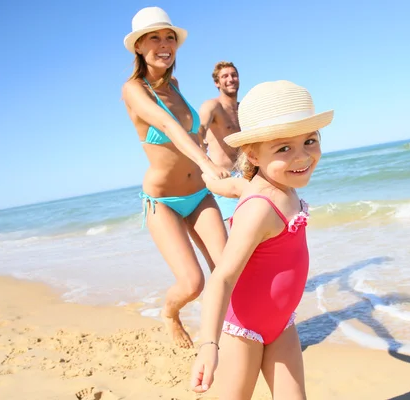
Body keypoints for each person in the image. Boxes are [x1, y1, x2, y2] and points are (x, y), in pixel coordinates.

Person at [190, 80, 334, 399]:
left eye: (310, 141)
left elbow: (233, 187)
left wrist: (213, 181)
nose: (302, 157)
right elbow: (223, 278)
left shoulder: (281, 185)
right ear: (253, 154)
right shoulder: (259, 208)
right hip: (244, 329)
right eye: (284, 148)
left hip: (282, 325)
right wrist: (209, 344)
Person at [121, 6, 230, 348]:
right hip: (163, 201)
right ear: (139, 46)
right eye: (154, 37)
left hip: (199, 193)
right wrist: (208, 164)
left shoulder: (177, 85)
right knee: (192, 284)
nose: (164, 44)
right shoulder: (133, 89)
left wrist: (231, 165)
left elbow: (195, 135)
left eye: (169, 37)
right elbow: (168, 126)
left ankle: (229, 336)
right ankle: (170, 314)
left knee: (228, 272)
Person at [198, 61, 242, 221]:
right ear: (217, 83)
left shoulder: (243, 108)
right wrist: (205, 162)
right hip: (225, 179)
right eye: (225, 76)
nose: (231, 79)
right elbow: (200, 129)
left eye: (234, 75)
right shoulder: (213, 106)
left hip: (247, 176)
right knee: (237, 227)